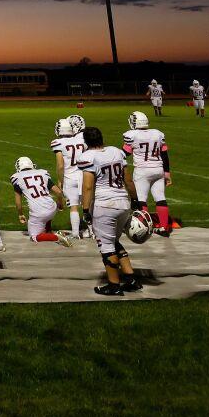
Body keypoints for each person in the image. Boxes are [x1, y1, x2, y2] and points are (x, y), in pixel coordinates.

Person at [76, 125, 139, 296]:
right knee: (114, 241)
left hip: (105, 205)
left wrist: (86, 209)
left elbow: (88, 187)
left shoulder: (88, 156)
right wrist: (135, 199)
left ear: (86, 141)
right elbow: (128, 180)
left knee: (106, 244)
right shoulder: (116, 152)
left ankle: (114, 285)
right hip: (123, 203)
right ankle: (130, 279)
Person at [121, 111, 172, 236]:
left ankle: (144, 228)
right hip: (158, 169)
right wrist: (167, 173)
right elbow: (164, 154)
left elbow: (125, 153)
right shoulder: (157, 133)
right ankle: (164, 228)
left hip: (142, 171)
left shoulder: (132, 135)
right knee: (160, 198)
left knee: (141, 199)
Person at [52, 114, 89, 239]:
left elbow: (60, 165)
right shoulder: (81, 140)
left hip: (69, 176)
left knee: (73, 206)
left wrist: (60, 181)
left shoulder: (58, 142)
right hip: (83, 175)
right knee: (87, 205)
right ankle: (92, 232)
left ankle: (75, 233)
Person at [8, 156, 62, 241]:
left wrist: (20, 214)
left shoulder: (17, 178)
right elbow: (58, 192)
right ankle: (48, 230)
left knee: (34, 237)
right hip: (52, 208)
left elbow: (18, 202)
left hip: (39, 213)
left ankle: (57, 237)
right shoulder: (42, 173)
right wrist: (60, 204)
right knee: (47, 208)